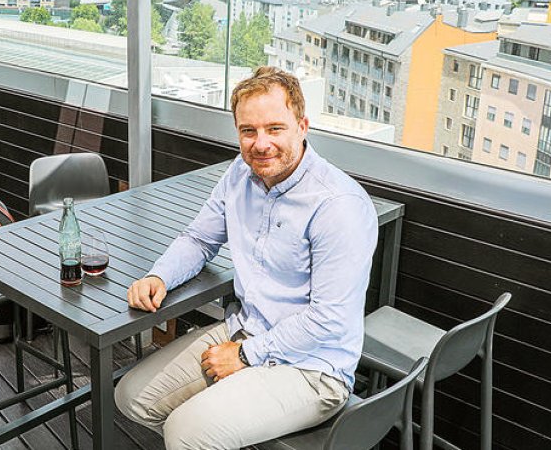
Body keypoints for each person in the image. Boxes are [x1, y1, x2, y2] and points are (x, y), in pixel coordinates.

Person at [114, 66, 379, 450]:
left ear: (302, 126)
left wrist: (245, 354)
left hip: (311, 367)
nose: (260, 143)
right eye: (248, 131)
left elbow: (330, 320)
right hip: (244, 329)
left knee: (187, 433)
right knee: (132, 398)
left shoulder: (339, 206)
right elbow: (200, 238)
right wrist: (160, 277)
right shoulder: (239, 173)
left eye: (275, 128)